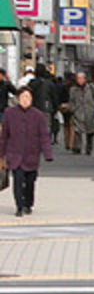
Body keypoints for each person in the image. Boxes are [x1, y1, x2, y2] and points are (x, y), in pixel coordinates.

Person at [0, 86, 55, 217]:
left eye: (28, 97)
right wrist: (1, 155)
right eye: (23, 97)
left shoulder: (38, 115)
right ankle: (19, 206)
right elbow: (4, 136)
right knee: (17, 181)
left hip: (32, 155)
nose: (25, 100)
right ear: (18, 98)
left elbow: (44, 136)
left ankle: (28, 203)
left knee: (30, 182)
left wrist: (48, 153)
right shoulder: (9, 113)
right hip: (15, 154)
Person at [67, 71, 94, 156]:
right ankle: (77, 147)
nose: (79, 80)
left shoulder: (92, 88)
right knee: (77, 131)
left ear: (85, 79)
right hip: (78, 112)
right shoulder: (73, 89)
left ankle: (89, 148)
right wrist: (72, 109)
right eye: (78, 78)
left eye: (81, 78)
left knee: (90, 132)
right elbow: (71, 101)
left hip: (89, 112)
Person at [28, 64, 60, 146]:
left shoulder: (32, 83)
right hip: (47, 107)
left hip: (33, 107)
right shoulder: (49, 83)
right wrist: (56, 108)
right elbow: (54, 97)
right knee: (46, 126)